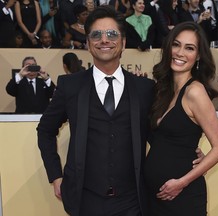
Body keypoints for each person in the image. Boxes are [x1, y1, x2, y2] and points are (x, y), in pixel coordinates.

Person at [37, 6, 204, 216]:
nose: (104, 40)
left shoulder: (144, 89)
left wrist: (185, 150)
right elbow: (45, 130)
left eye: (112, 34)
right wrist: (55, 176)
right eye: (96, 34)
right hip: (84, 200)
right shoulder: (70, 86)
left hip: (133, 201)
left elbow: (158, 133)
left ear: (123, 43)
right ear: (88, 44)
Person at [144, 21, 218, 216]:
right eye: (176, 44)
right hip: (155, 198)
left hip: (182, 197)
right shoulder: (163, 91)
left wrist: (182, 182)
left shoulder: (195, 92)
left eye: (189, 48)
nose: (180, 52)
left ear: (198, 55)